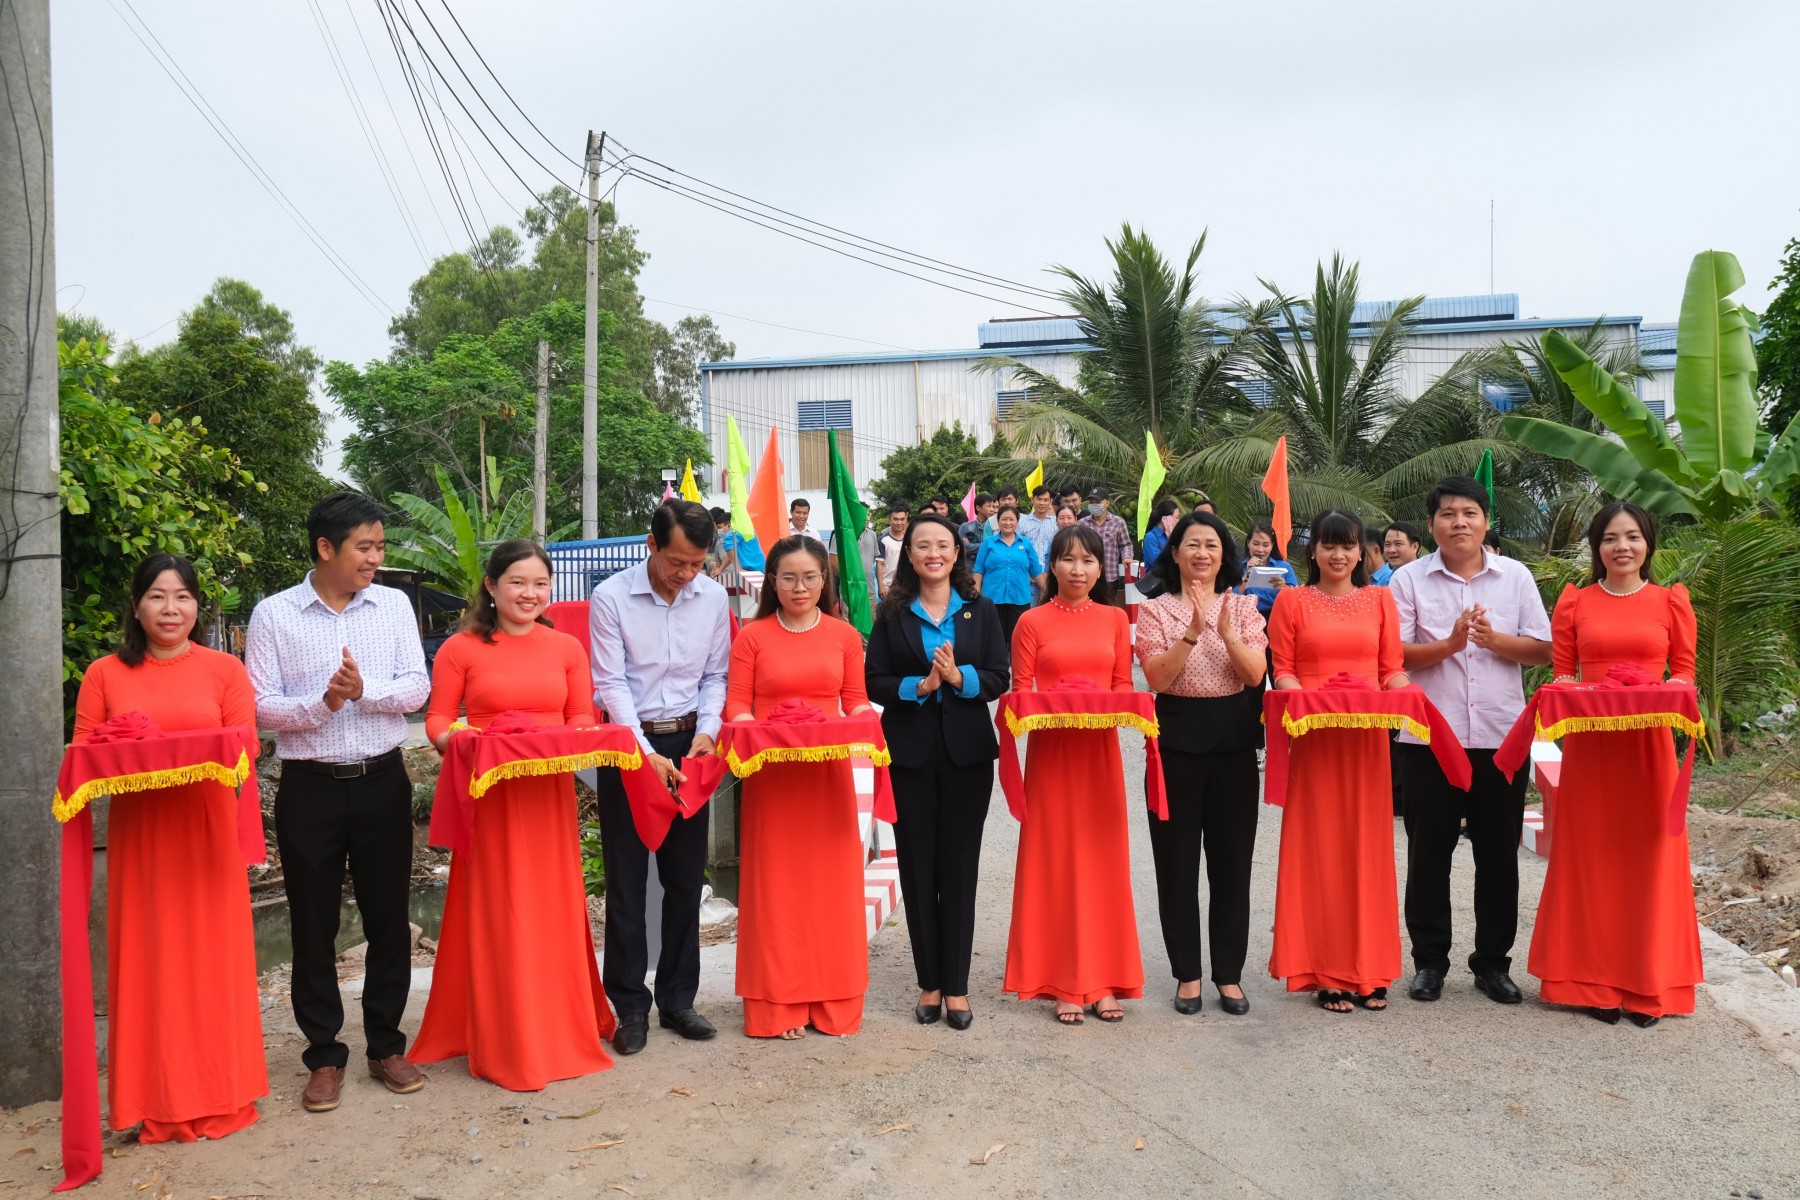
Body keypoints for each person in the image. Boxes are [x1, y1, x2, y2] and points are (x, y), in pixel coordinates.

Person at [72, 554, 268, 1143]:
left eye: (182, 597)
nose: (170, 609)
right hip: (143, 837)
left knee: (213, 959)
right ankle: (152, 1099)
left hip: (207, 831)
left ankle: (222, 1092)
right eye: (157, 596)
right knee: (149, 959)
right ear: (136, 605)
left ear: (197, 607)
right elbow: (85, 756)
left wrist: (179, 755)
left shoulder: (225, 669)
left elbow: (245, 748)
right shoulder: (104, 673)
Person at [246, 491, 430, 1112]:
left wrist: (362, 691)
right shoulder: (274, 615)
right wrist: (320, 704)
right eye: (364, 547)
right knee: (313, 923)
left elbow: (416, 688)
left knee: (388, 920)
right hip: (309, 789)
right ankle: (323, 1054)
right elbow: (260, 703)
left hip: (382, 780)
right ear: (326, 548)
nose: (376, 557)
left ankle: (385, 1044)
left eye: (379, 545)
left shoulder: (395, 607)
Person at [412, 541, 616, 1088]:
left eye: (539, 584)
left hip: (547, 797)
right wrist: (466, 745)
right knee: (500, 909)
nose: (530, 594)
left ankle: (558, 1026)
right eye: (518, 583)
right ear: (492, 586)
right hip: (491, 797)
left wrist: (562, 741)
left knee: (550, 907)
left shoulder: (567, 647)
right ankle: (505, 1033)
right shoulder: (460, 649)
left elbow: (580, 718)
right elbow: (437, 722)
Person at [1529, 502, 1701, 1028]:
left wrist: (1672, 691)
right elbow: (1562, 676)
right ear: (1596, 546)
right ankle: (1589, 981)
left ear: (1648, 544)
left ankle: (1649, 982)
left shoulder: (1669, 601)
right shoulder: (1576, 602)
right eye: (1609, 538)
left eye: (1631, 537)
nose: (1621, 547)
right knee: (1590, 858)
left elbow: (1685, 676)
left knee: (1649, 858)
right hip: (1591, 750)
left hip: (1648, 752)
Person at [1390, 479, 1550, 1006]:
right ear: (1430, 524)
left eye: (1470, 513)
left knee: (1499, 854)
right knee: (1428, 852)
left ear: (1485, 520)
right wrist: (1452, 644)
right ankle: (1430, 963)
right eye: (1447, 514)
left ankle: (1492, 964)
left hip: (1500, 738)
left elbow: (1543, 649)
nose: (1459, 522)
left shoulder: (1516, 577)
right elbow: (1394, 657)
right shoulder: (1409, 579)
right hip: (1428, 738)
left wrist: (1492, 641)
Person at [589, 500, 731, 1054]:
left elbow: (718, 673)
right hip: (629, 746)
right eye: (677, 562)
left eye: (697, 564)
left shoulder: (712, 598)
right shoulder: (612, 598)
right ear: (651, 546)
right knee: (627, 881)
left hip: (692, 744)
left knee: (683, 876)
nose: (686, 575)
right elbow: (612, 684)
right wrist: (644, 751)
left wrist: (710, 730)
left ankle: (677, 998)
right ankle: (628, 1004)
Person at [864, 514, 1010, 1031]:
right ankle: (929, 982)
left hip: (968, 755)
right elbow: (874, 681)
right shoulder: (891, 614)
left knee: (959, 868)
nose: (933, 553)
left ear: (956, 552)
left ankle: (957, 986)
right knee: (918, 869)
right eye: (922, 545)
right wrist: (920, 687)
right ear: (909, 554)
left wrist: (958, 677)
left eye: (942, 545)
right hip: (911, 755)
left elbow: (998, 676)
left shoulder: (981, 610)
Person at [727, 536, 876, 1038]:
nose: (799, 587)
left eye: (810, 577)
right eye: (788, 577)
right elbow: (737, 707)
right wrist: (759, 733)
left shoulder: (843, 635)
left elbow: (854, 699)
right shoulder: (752, 636)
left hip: (826, 774)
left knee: (830, 887)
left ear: (824, 581)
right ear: (771, 582)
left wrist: (865, 724)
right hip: (772, 778)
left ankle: (832, 998)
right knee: (777, 888)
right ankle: (780, 1002)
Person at [1266, 508, 1411, 1014]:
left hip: (1367, 741)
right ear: (1313, 551)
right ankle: (1325, 968)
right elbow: (1282, 671)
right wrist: (1300, 699)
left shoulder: (1380, 599)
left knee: (1367, 850)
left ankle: (1370, 968)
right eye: (1328, 545)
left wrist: (1406, 693)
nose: (1338, 555)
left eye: (1348, 545)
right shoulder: (1291, 600)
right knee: (1321, 849)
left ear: (1361, 552)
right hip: (1317, 739)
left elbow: (1391, 669)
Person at [1003, 525, 1143, 1025]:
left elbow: (1124, 687)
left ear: (1099, 567)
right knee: (1056, 861)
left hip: (1099, 756)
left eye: (1087, 561)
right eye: (1068, 560)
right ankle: (1063, 979)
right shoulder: (1031, 622)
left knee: (1103, 863)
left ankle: (1104, 981)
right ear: (1052, 565)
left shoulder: (1114, 620)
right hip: (1053, 756)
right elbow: (1021, 693)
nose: (1078, 570)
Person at [1135, 514, 1267, 1017]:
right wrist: (1190, 633)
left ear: (1223, 554)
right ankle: (1187, 974)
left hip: (1233, 746)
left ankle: (1228, 976)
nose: (1202, 554)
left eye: (1212, 544)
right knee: (1176, 867)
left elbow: (1255, 675)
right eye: (1192, 545)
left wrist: (1228, 634)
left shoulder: (1247, 606)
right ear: (1175, 553)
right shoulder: (1154, 611)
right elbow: (1157, 679)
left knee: (1232, 866)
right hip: (1173, 748)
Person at [972, 504, 1045, 647]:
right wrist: (975, 594)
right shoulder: (988, 543)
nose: (1008, 523)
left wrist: (1048, 592)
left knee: (1018, 641)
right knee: (993, 641)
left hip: (1020, 599)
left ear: (1017, 522)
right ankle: (998, 668)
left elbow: (1036, 570)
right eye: (1004, 519)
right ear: (998, 521)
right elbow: (978, 570)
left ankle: (1016, 668)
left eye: (1011, 519)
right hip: (992, 599)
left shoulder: (1026, 543)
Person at [1080, 487, 1134, 607]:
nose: (1094, 505)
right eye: (1091, 502)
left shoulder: (1118, 522)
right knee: (1086, 608)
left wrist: (1126, 557)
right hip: (1087, 576)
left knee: (1106, 608)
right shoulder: (1082, 524)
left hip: (1109, 577)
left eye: (1097, 502)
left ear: (1107, 503)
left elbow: (1125, 544)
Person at [1239, 519, 1298, 617]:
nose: (1260, 549)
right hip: (1246, 618)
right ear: (1248, 543)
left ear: (1272, 545)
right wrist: (1248, 573)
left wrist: (1284, 588)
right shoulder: (1239, 567)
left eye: (1265, 545)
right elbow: (1232, 597)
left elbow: (1296, 597)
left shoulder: (1284, 567)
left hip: (1277, 617)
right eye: (1256, 544)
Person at [1138, 498, 1182, 597]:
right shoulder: (1150, 537)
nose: (1178, 521)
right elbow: (1157, 561)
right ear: (1165, 519)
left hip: (1174, 584)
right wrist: (1170, 541)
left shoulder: (1176, 536)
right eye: (1176, 517)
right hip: (1158, 586)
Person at [874, 504, 909, 598]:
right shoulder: (882, 540)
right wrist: (881, 586)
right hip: (888, 587)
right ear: (889, 520)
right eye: (896, 519)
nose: (899, 522)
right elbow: (880, 564)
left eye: (902, 519)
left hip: (906, 585)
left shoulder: (909, 539)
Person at [1018, 485, 1059, 560]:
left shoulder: (1056, 522)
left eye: (1045, 500)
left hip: (1051, 568)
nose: (1042, 503)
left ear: (1050, 501)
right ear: (1032, 500)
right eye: (1039, 499)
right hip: (1029, 569)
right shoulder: (1022, 523)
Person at [959, 493, 995, 558]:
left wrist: (969, 545)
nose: (992, 510)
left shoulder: (995, 527)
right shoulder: (965, 527)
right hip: (969, 566)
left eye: (993, 507)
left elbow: (994, 548)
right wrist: (985, 546)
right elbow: (961, 547)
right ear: (978, 508)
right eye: (989, 506)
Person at [705, 507, 736, 581]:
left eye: (719, 527)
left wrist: (707, 560)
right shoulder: (717, 538)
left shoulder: (724, 540)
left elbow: (728, 559)